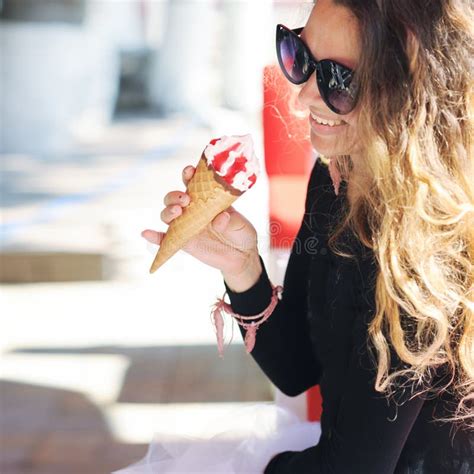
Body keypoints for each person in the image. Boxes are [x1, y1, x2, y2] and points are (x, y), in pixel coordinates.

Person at [130, 0, 473, 472]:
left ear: (410, 88)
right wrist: (243, 266)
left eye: (338, 80)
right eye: (299, 58)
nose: (299, 98)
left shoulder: (425, 246)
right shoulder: (337, 176)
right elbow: (297, 370)